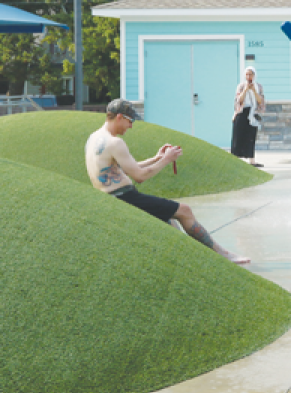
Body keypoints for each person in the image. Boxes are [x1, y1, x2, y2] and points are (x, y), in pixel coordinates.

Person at [85, 99, 250, 264]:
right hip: (124, 197)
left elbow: (125, 168)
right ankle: (223, 254)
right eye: (131, 121)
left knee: (170, 219)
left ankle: (190, 257)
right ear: (120, 117)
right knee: (184, 211)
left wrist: (157, 158)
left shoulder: (94, 138)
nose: (131, 126)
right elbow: (140, 176)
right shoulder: (115, 142)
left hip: (113, 197)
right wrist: (167, 160)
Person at [231, 66, 265, 167]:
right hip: (242, 113)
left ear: (254, 75)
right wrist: (245, 89)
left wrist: (254, 91)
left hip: (253, 113)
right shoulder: (241, 86)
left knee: (251, 137)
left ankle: (252, 161)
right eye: (247, 74)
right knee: (238, 136)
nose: (248, 76)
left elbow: (260, 101)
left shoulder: (259, 87)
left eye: (251, 74)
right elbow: (239, 100)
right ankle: (235, 160)